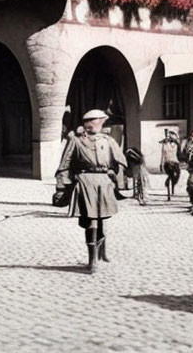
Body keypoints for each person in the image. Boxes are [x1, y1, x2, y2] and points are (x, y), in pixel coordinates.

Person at [54, 109, 127, 273]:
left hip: (104, 184)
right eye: (97, 122)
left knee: (101, 221)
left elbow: (120, 162)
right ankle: (92, 260)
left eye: (100, 122)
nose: (99, 125)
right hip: (85, 182)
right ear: (90, 123)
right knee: (91, 222)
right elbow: (64, 164)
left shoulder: (108, 141)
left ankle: (100, 254)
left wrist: (114, 173)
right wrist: (61, 187)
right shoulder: (76, 141)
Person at [158, 129, 182, 201]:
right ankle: (169, 191)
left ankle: (172, 185)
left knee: (176, 176)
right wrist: (161, 164)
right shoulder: (165, 145)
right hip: (167, 163)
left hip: (176, 162)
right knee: (171, 175)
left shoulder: (176, 144)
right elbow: (162, 155)